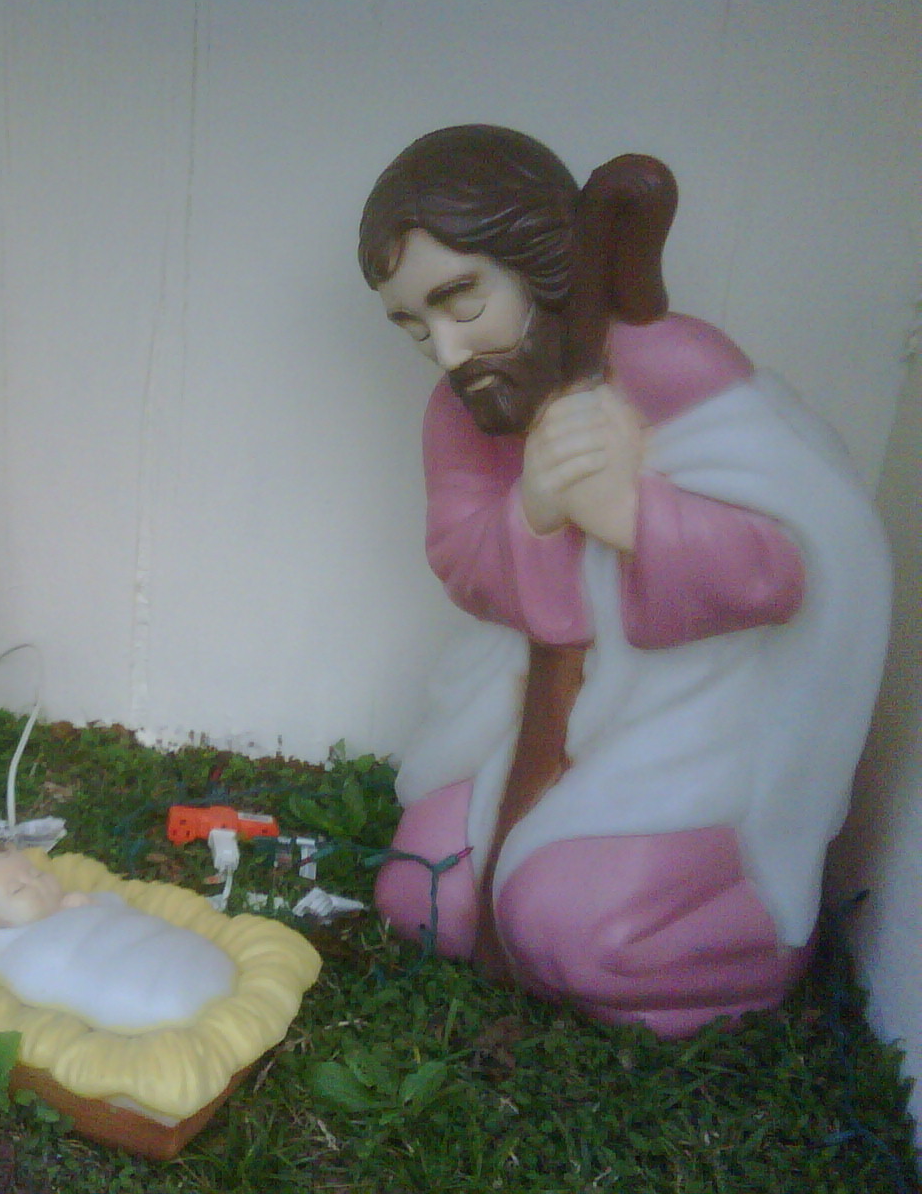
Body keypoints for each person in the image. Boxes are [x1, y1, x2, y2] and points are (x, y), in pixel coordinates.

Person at [359, 125, 889, 1036]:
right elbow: (462, 559)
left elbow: (797, 564)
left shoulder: (676, 365)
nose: (445, 351)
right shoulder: (461, 411)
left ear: (537, 262)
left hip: (693, 726)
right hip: (530, 715)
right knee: (423, 898)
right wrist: (533, 509)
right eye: (413, 327)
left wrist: (629, 513)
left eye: (459, 300)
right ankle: (541, 884)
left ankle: (750, 933)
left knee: (570, 930)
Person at [0, 842, 237, 1033]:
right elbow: (60, 979)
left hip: (170, 949)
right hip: (137, 984)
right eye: (17, 890)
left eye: (35, 873)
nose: (36, 884)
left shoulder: (82, 901)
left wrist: (92, 905)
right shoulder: (21, 954)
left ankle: (201, 972)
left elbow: (127, 917)